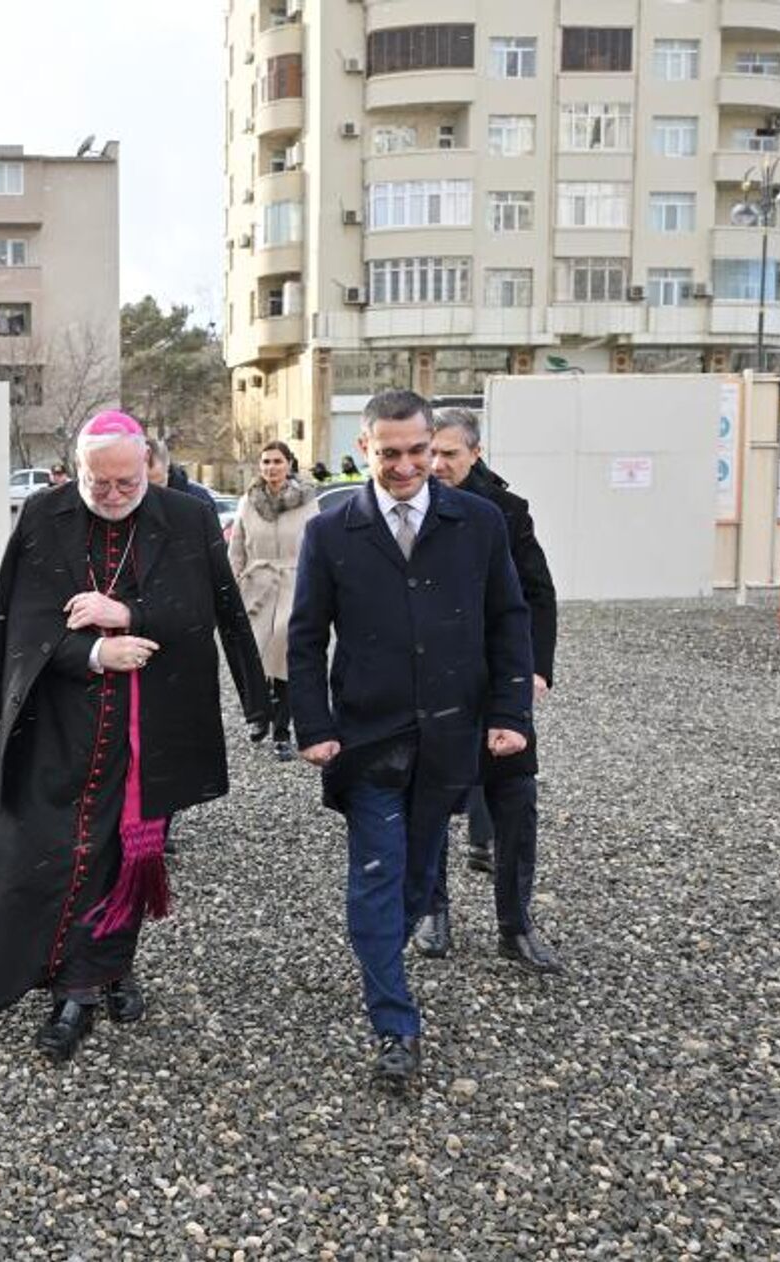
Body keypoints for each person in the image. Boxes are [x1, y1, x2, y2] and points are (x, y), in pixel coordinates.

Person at [0, 411, 269, 1062]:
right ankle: (79, 979)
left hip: (156, 718)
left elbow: (208, 609)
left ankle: (93, 980)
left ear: (147, 464)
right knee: (59, 847)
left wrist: (129, 615)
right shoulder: (42, 515)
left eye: (127, 482)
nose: (114, 495)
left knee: (126, 853)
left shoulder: (188, 516)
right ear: (78, 468)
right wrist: (93, 655)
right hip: (61, 715)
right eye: (100, 482)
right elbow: (28, 619)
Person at [287, 389, 534, 1088]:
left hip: (451, 737)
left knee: (421, 877)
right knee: (375, 874)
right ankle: (395, 1023)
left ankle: (379, 960)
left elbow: (508, 621)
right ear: (365, 448)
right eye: (389, 453)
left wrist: (511, 715)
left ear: (434, 446)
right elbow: (306, 638)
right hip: (369, 739)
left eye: (417, 451)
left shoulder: (477, 522)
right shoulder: (331, 531)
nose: (404, 466)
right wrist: (314, 725)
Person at [414, 408, 562, 974]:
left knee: (516, 800)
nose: (438, 463)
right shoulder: (409, 509)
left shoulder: (506, 513)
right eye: (434, 451)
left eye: (450, 453)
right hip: (430, 685)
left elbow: (537, 596)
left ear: (475, 454)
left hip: (498, 681)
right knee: (428, 801)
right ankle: (433, 912)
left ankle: (515, 924)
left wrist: (536, 671)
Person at [227, 440, 318, 763]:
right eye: (265, 462)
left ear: (289, 464)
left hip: (294, 582)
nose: (271, 467)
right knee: (252, 656)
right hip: (256, 584)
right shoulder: (247, 502)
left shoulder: (307, 502)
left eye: (277, 461)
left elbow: (316, 547)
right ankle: (257, 715)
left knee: (284, 652)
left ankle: (281, 731)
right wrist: (230, 587)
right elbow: (237, 548)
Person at [144, 435, 219, 515]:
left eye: (158, 484)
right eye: (144, 484)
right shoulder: (131, 501)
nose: (150, 491)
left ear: (168, 468)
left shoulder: (200, 501)